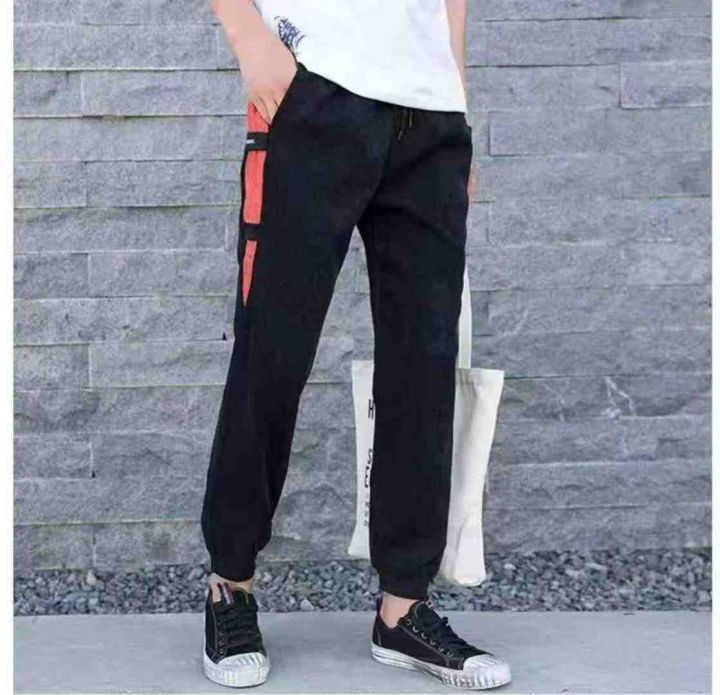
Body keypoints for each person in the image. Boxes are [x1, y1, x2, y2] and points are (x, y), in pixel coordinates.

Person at [200, 0, 512, 689]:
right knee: (272, 349)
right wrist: (251, 41)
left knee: (424, 364)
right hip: (314, 96)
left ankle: (403, 606)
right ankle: (231, 585)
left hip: (430, 115)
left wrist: (455, 91)